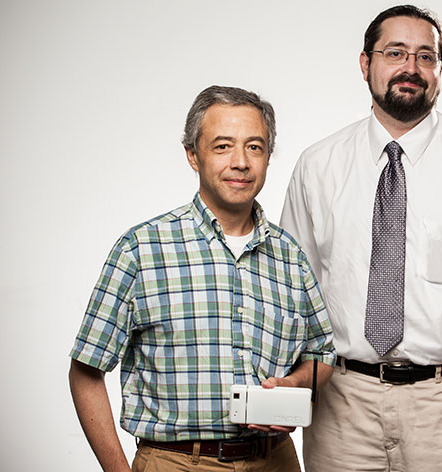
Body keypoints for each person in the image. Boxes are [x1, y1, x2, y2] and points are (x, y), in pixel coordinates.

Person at [280, 4, 442, 471]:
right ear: (365, 63)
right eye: (395, 52)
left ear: (439, 69)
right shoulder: (318, 166)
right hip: (342, 406)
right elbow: (293, 293)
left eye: (426, 56)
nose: (410, 68)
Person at [68, 85, 336, 472]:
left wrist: (294, 386)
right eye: (223, 146)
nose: (241, 162)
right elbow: (86, 371)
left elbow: (321, 354)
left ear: (268, 157)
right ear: (193, 155)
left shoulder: (290, 255)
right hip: (176, 461)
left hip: (275, 460)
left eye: (254, 147)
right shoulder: (142, 249)